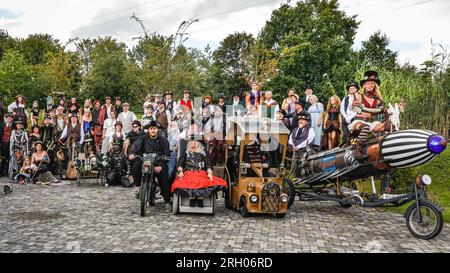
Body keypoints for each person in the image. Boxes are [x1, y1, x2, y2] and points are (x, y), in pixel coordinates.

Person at [129, 121, 172, 213]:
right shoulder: (142, 138)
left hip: (158, 163)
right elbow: (135, 147)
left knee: (164, 178)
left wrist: (161, 165)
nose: (152, 130)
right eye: (151, 129)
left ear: (157, 130)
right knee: (136, 163)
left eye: (154, 129)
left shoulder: (163, 140)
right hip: (146, 162)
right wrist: (132, 153)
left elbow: (167, 154)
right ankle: (137, 187)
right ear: (148, 130)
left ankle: (167, 201)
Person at [173, 139, 227, 207]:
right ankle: (192, 199)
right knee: (190, 181)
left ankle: (200, 199)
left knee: (202, 181)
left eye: (192, 141)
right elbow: (180, 162)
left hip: (201, 172)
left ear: (197, 143)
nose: (191, 143)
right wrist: (180, 171)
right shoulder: (185, 152)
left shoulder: (204, 152)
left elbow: (208, 163)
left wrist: (209, 173)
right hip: (189, 172)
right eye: (189, 141)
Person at [349, 71, 386, 159]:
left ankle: (386, 150)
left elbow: (382, 110)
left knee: (389, 126)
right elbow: (351, 109)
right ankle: (358, 152)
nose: (370, 85)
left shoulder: (377, 100)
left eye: (372, 83)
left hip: (371, 123)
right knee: (365, 127)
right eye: (368, 83)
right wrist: (353, 104)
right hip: (358, 121)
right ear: (364, 85)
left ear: (375, 86)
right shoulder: (358, 96)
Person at [124, 120, 144, 186]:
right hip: (132, 151)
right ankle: (132, 178)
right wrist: (125, 151)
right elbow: (127, 142)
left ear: (139, 126)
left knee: (138, 163)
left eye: (136, 126)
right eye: (133, 126)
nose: (134, 127)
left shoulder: (142, 134)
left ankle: (139, 180)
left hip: (140, 151)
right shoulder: (131, 133)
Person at [340, 81, 359, 146]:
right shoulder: (345, 98)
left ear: (356, 89)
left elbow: (359, 110)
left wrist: (350, 117)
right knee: (345, 133)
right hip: (346, 118)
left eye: (353, 88)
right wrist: (345, 117)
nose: (351, 89)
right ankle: (345, 145)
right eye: (350, 88)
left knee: (353, 133)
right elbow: (342, 109)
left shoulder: (359, 97)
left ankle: (354, 145)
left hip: (355, 117)